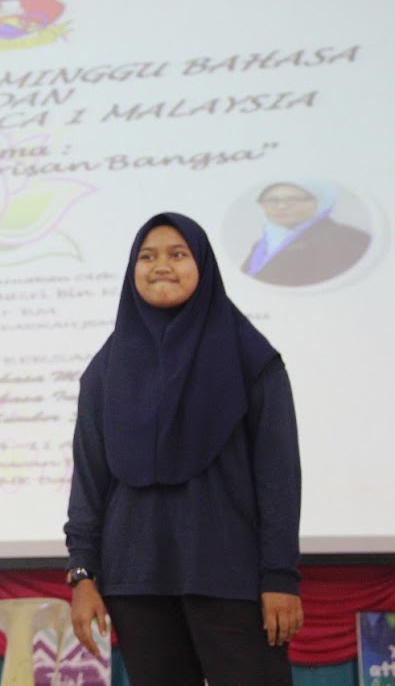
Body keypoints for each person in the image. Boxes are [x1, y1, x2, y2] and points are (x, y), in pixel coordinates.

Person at [64, 213, 303, 686]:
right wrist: (82, 573)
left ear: (204, 265)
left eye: (178, 254)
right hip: (136, 582)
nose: (161, 266)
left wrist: (280, 576)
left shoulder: (252, 361)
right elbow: (89, 479)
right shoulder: (106, 370)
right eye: (147, 256)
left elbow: (279, 477)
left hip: (231, 579)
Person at [242, 179, 371, 286]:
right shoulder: (262, 246)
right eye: (272, 201)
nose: (281, 206)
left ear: (318, 202)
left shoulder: (346, 238)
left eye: (293, 199)